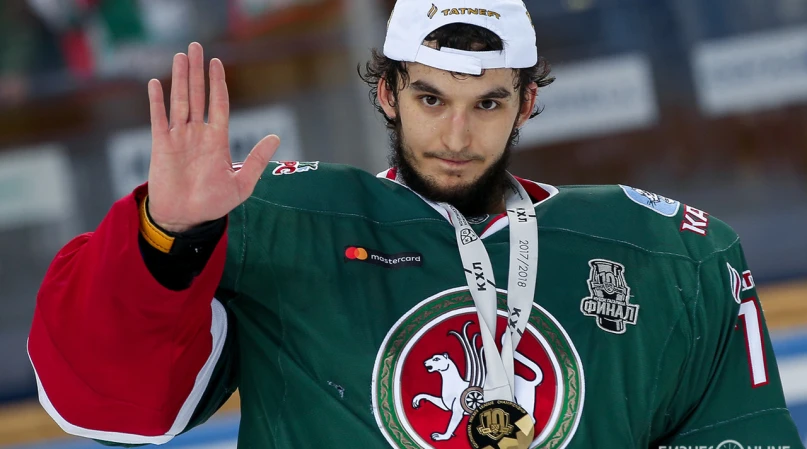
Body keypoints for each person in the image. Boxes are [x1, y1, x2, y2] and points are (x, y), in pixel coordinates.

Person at [28, 1, 804, 448]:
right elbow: (105, 402)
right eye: (431, 98)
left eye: (487, 103)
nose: (456, 137)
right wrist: (169, 239)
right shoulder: (280, 225)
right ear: (387, 93)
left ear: (528, 102)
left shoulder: (669, 256)